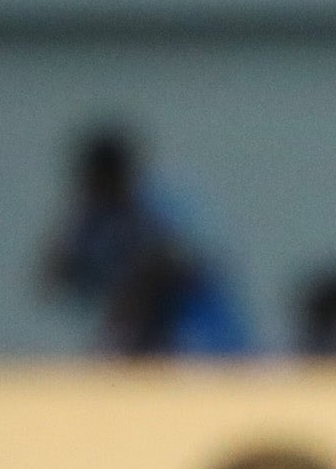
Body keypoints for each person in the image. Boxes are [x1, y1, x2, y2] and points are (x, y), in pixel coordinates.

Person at [40, 125, 253, 358]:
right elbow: (49, 282)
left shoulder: (161, 208)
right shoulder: (94, 219)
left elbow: (164, 271)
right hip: (154, 345)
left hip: (205, 343)